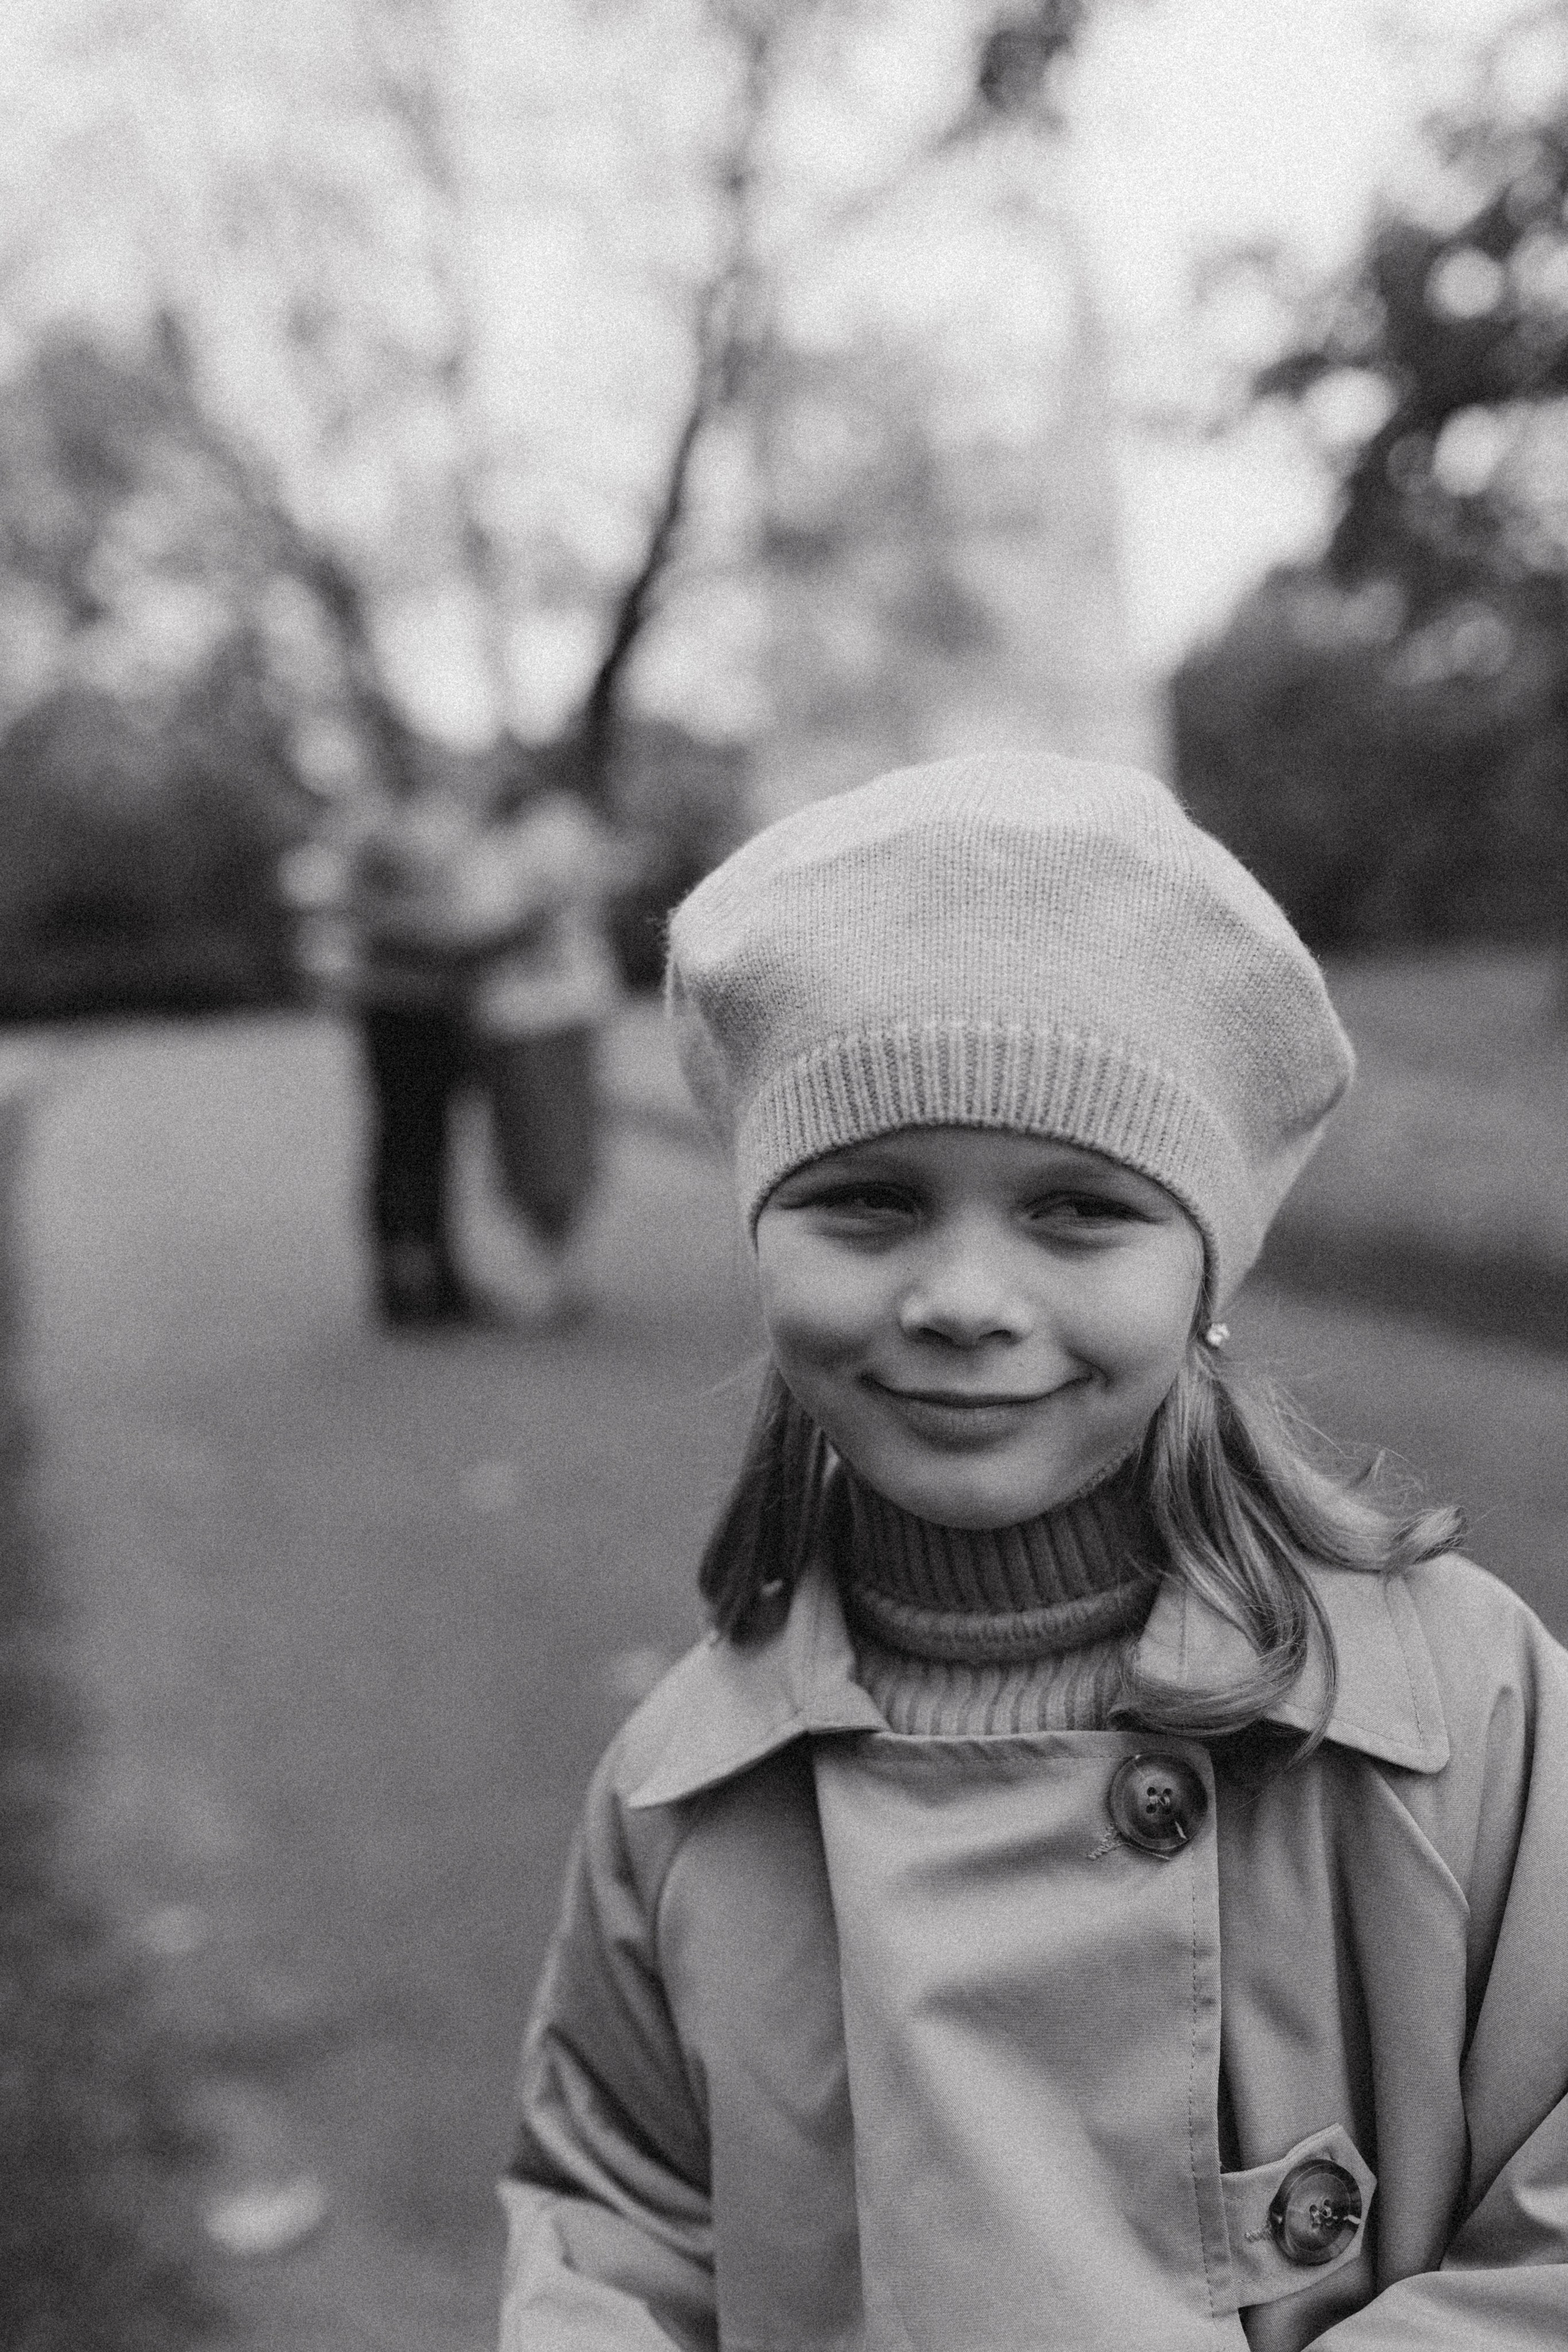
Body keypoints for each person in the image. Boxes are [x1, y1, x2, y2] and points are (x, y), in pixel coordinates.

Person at [497, 753, 1568, 2350]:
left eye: (1077, 1212)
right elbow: (614, 2232)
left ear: (1208, 1264)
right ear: (757, 1238)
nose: (964, 1295)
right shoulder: (684, 1794)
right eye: (866, 1201)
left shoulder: (1458, 1711)